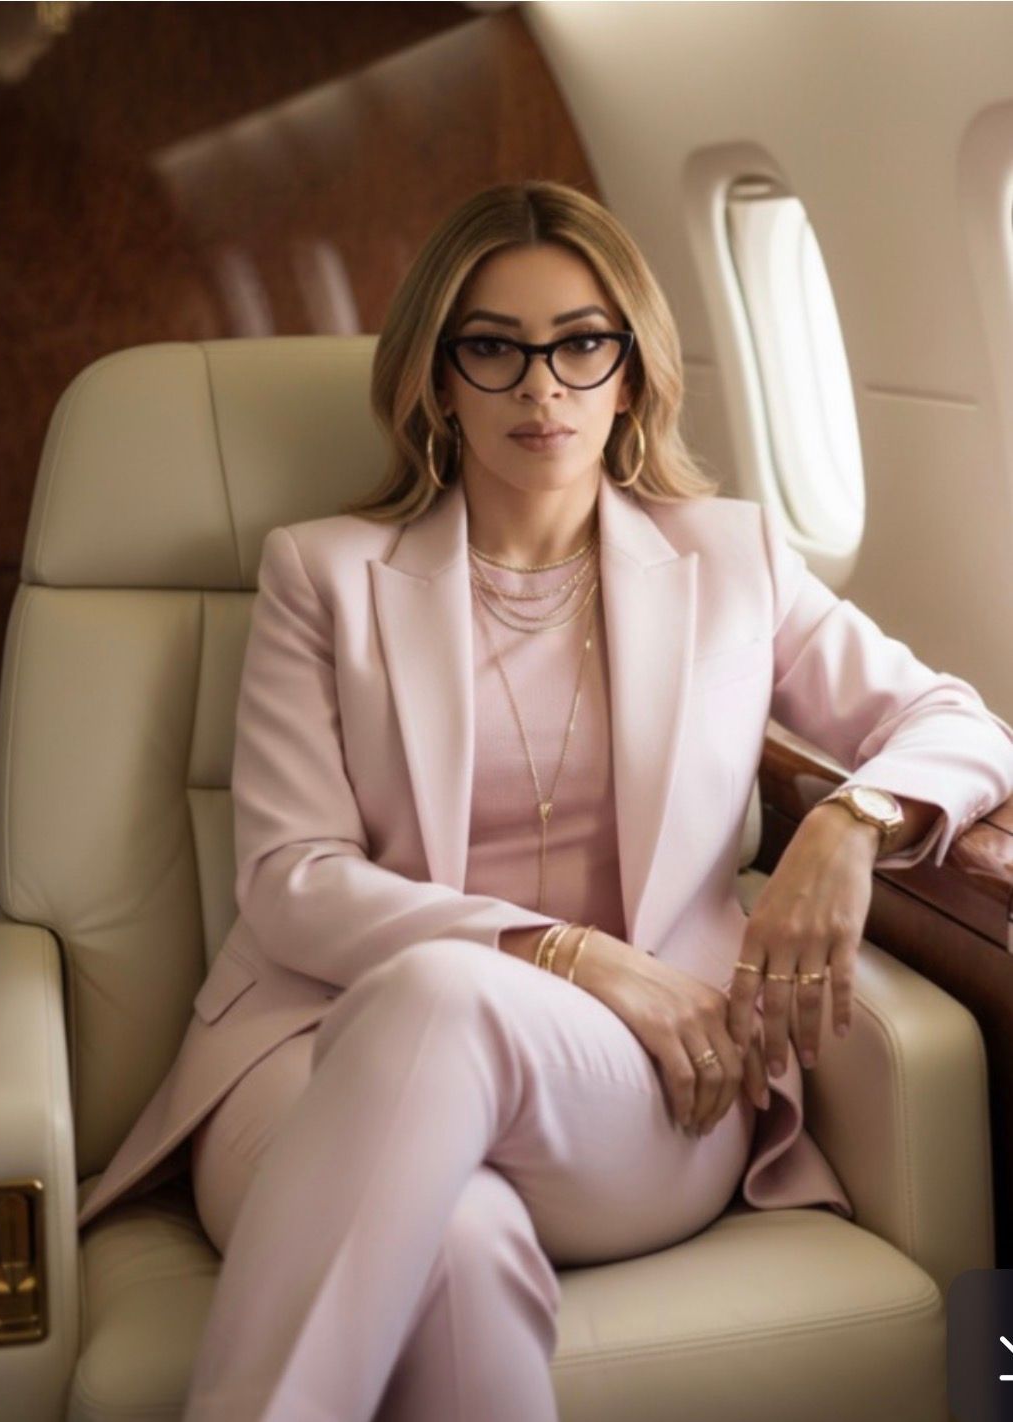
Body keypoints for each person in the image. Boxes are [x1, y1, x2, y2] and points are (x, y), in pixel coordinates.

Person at [89, 179, 1013, 1422]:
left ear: (631, 371)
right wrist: (572, 953)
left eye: (582, 345)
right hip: (311, 1060)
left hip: (639, 1082)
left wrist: (851, 825)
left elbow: (962, 721)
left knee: (440, 996)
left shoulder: (728, 562)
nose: (543, 388)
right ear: (439, 374)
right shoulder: (326, 575)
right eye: (496, 348)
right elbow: (291, 881)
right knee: (459, 1245)